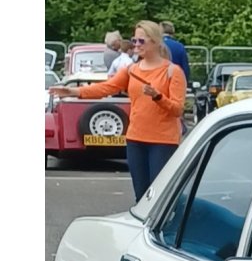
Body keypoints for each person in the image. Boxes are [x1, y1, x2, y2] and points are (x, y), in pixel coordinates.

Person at [50, 21, 187, 201]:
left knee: (159, 197)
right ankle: (142, 227)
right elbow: (106, 88)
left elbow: (177, 109)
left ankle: (166, 227)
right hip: (135, 139)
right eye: (134, 41)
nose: (136, 45)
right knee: (141, 195)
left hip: (163, 141)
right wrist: (73, 91)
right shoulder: (131, 70)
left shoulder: (172, 71)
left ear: (154, 42)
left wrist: (157, 96)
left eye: (141, 41)